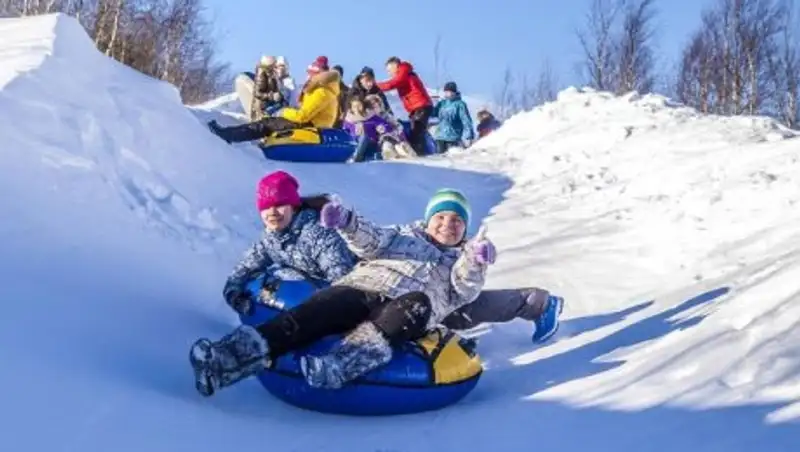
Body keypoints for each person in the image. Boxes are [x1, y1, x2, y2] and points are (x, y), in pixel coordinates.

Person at [189, 188, 496, 396]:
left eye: (457, 220)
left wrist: (475, 261)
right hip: (363, 286)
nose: (447, 224)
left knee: (416, 303)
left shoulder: (462, 259)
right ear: (429, 220)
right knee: (309, 313)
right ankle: (224, 360)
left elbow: (465, 290)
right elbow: (371, 239)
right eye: (441, 217)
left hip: (405, 309)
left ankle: (339, 366)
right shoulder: (403, 235)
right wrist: (347, 222)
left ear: (465, 228)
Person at [221, 170, 356, 316]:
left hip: (329, 301)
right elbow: (247, 266)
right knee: (258, 283)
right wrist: (233, 292)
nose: (272, 212)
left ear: (294, 206)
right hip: (300, 298)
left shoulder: (318, 234)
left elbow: (342, 280)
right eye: (266, 206)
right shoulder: (271, 237)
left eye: (279, 205)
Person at [206, 58, 342, 144]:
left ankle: (227, 135)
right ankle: (234, 134)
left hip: (310, 125)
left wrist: (282, 112)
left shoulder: (321, 92)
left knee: (266, 124)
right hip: (311, 122)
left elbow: (303, 116)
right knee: (268, 122)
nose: (308, 76)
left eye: (310, 74)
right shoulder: (322, 89)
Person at [376, 56, 433, 156]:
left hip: (421, 106)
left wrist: (376, 86)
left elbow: (393, 84)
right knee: (416, 130)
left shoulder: (403, 71)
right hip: (416, 107)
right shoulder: (404, 72)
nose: (389, 73)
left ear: (395, 65)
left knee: (416, 131)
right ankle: (419, 152)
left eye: (389, 70)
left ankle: (419, 153)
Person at [432, 81, 475, 153]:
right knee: (438, 159)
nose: (448, 93)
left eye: (450, 91)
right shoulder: (442, 103)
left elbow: (466, 120)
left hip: (453, 137)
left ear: (454, 92)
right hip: (440, 136)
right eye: (446, 91)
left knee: (450, 158)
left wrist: (469, 135)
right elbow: (433, 114)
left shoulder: (460, 104)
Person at [249, 56, 288, 120]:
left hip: (269, 105)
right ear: (269, 65)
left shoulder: (271, 74)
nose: (276, 67)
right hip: (261, 107)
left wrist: (280, 96)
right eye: (274, 65)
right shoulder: (261, 75)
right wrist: (272, 96)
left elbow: (275, 89)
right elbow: (257, 93)